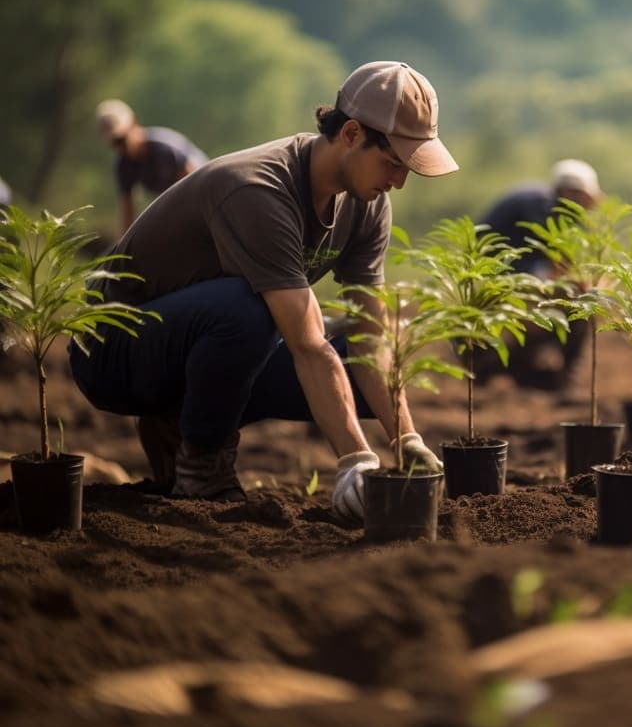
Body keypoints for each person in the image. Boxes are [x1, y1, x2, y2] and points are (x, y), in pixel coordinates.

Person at [70, 61, 458, 522]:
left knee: (361, 366)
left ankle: (179, 420)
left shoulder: (368, 205)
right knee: (248, 309)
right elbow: (308, 345)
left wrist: (406, 439)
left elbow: (370, 335)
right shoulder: (258, 189)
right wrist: (355, 458)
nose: (398, 181)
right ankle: (202, 468)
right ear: (351, 134)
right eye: (393, 162)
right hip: (114, 352)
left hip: (192, 344)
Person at [477, 159, 603, 389]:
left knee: (573, 296)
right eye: (585, 200)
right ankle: (565, 377)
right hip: (502, 279)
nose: (586, 208)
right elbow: (558, 260)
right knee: (583, 302)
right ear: (571, 192)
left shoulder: (544, 203)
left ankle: (524, 365)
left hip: (506, 276)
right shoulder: (541, 205)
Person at [96, 99, 209, 235]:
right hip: (176, 207)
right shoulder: (124, 165)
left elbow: (195, 183)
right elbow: (128, 211)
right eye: (115, 143)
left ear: (133, 124)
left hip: (203, 196)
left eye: (122, 139)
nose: (121, 148)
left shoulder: (165, 148)